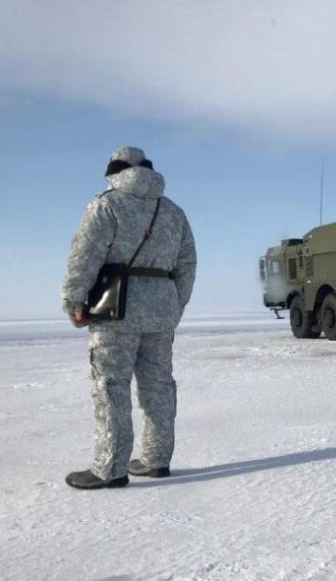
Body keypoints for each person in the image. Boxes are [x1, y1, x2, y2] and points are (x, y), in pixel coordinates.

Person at [61, 146, 197, 490]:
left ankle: (110, 468)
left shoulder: (106, 205)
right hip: (161, 310)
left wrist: (74, 299)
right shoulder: (173, 211)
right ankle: (156, 459)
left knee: (111, 385)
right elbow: (187, 264)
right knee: (159, 385)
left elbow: (85, 254)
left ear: (115, 170)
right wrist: (174, 305)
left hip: (115, 309)